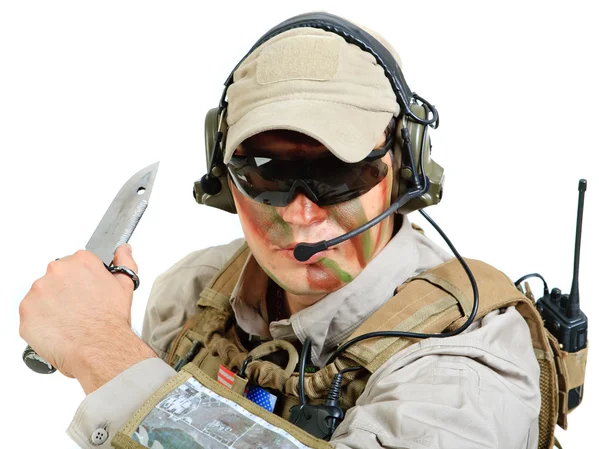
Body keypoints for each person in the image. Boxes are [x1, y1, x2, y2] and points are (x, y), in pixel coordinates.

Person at [20, 12, 554, 449]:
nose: (300, 214)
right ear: (224, 182)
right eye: (264, 173)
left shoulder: (465, 370)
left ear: (406, 171)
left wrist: (105, 352)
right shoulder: (194, 297)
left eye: (341, 174)